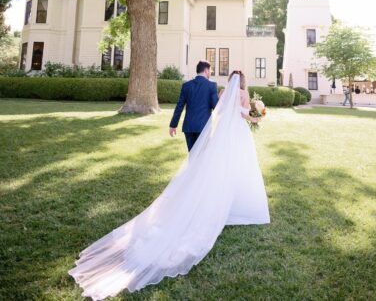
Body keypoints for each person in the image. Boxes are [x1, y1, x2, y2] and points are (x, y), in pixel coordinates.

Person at [68, 70, 270, 300]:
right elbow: (244, 115)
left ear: (230, 80)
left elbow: (220, 111)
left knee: (217, 169)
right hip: (238, 135)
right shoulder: (243, 94)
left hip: (222, 136)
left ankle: (221, 200)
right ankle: (237, 205)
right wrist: (259, 116)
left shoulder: (223, 92)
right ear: (242, 82)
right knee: (240, 168)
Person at [169, 60, 219, 151]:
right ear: (206, 70)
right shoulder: (212, 85)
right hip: (204, 128)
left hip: (189, 127)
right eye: (210, 71)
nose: (210, 73)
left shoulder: (186, 86)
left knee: (192, 156)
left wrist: (173, 125)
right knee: (203, 157)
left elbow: (179, 107)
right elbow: (215, 106)